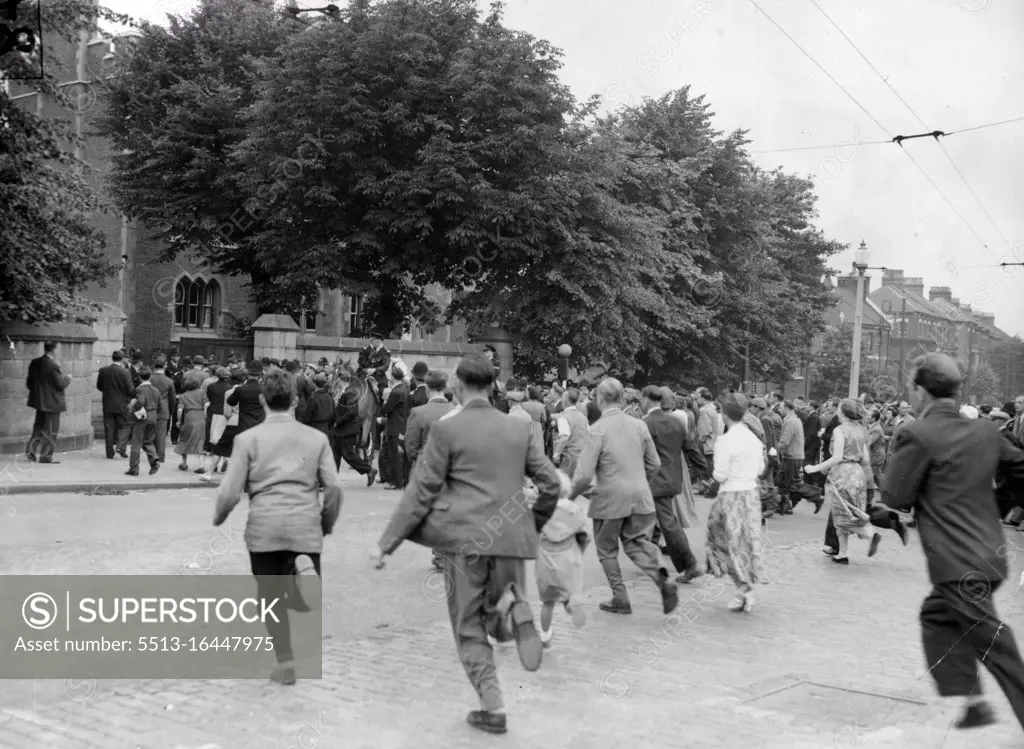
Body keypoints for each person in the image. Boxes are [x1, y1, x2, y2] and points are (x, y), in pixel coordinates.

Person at [375, 355, 561, 736]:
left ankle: (492, 706)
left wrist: (386, 543)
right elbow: (552, 484)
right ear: (494, 386)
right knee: (496, 610)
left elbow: (421, 491)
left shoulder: (448, 430)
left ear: (458, 386)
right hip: (510, 535)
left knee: (468, 626)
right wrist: (532, 524)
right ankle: (514, 608)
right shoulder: (519, 428)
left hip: (465, 542)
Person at [883, 353, 1024, 731]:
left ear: (921, 391)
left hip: (958, 565)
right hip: (988, 557)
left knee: (997, 645)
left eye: (911, 386)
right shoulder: (986, 433)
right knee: (936, 616)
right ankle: (973, 701)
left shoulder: (919, 433)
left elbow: (895, 496)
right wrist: (1001, 503)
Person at [214, 369, 343, 687]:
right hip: (305, 524)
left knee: (269, 599)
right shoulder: (317, 439)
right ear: (296, 401)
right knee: (298, 594)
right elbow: (335, 489)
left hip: (264, 526)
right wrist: (325, 523)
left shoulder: (247, 439)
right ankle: (301, 572)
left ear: (262, 400)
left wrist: (219, 516)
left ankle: (285, 662)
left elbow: (229, 491)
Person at [567, 378, 678, 616]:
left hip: (609, 498)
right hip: (641, 497)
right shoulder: (640, 425)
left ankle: (620, 597)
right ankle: (662, 578)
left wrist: (570, 495)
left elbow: (584, 474)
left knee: (606, 549)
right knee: (637, 543)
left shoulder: (596, 429)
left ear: (599, 399)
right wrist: (639, 482)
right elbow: (655, 463)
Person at [704, 393, 766, 612]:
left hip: (730, 494)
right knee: (746, 542)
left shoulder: (725, 440)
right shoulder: (754, 438)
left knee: (723, 542)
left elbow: (720, 474)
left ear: (724, 414)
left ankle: (743, 587)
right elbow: (760, 469)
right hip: (751, 494)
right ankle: (745, 586)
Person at [805, 399, 881, 565]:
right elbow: (866, 459)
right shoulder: (862, 430)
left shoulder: (840, 430)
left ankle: (870, 534)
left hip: (842, 473)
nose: (837, 413)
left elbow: (837, 457)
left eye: (839, 410)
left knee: (841, 513)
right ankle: (842, 553)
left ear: (844, 413)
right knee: (847, 511)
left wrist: (815, 468)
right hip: (857, 473)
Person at [642, 386, 704, 584]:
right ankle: (652, 559)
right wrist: (705, 470)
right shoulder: (676, 421)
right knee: (657, 520)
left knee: (667, 522)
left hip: (655, 480)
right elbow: (691, 448)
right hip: (672, 477)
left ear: (647, 399)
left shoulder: (646, 423)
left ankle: (690, 563)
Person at [536, 489, 589, 649]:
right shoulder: (574, 511)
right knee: (568, 595)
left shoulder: (540, 511)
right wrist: (580, 550)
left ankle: (545, 636)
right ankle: (571, 606)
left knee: (547, 603)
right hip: (568, 559)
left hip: (546, 562)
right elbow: (585, 535)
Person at [25, 341, 72, 464]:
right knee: (51, 430)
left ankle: (31, 450)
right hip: (52, 403)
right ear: (54, 350)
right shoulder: (53, 366)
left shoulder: (35, 363)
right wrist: (67, 379)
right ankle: (45, 457)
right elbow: (60, 384)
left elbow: (29, 384)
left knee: (39, 427)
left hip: (39, 402)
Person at [330, 371, 377, 485]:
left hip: (347, 429)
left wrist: (338, 422)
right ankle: (331, 480)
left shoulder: (350, 392)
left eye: (337, 380)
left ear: (341, 380)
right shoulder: (345, 392)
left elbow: (352, 412)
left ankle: (369, 470)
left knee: (348, 455)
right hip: (340, 430)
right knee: (335, 455)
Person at [96, 349, 135, 460]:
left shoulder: (103, 371)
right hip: (122, 405)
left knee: (109, 429)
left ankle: (109, 453)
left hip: (108, 403)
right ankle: (121, 447)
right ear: (122, 359)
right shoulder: (125, 372)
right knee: (125, 426)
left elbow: (99, 386)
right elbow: (131, 390)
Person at [125, 366, 161, 477]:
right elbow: (160, 405)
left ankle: (134, 469)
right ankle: (154, 459)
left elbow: (140, 401)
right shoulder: (156, 390)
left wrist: (133, 407)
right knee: (148, 441)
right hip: (153, 416)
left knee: (136, 443)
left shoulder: (139, 389)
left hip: (142, 418)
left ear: (139, 377)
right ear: (150, 377)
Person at [211, 368, 247, 473]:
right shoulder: (247, 390)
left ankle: (210, 471)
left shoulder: (229, 392)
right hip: (245, 421)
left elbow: (227, 412)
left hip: (232, 421)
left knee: (221, 447)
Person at [381, 365, 410, 489]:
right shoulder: (404, 388)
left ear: (392, 378)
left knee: (395, 456)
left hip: (395, 427)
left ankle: (396, 482)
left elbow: (386, 409)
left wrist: (384, 400)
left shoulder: (396, 391)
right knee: (400, 455)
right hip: (402, 425)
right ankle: (402, 480)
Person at [551, 388, 589, 477]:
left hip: (568, 457)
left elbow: (564, 437)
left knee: (566, 484)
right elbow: (587, 436)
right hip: (581, 456)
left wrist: (556, 454)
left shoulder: (564, 417)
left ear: (566, 401)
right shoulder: (583, 417)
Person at [174, 378, 208, 473]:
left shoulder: (183, 396)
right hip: (201, 417)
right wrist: (206, 417)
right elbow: (206, 405)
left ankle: (184, 463)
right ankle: (201, 465)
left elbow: (180, 410)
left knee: (185, 439)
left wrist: (179, 421)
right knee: (201, 440)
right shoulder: (202, 393)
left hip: (189, 417)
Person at [149, 356, 177, 465]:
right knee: (161, 434)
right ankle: (160, 456)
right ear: (164, 366)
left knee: (150, 433)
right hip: (163, 409)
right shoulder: (169, 381)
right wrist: (171, 411)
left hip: (150, 408)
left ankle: (151, 454)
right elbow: (172, 399)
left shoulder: (149, 379)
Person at [226, 361, 265, 435]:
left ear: (248, 374)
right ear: (260, 375)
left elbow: (230, 402)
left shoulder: (240, 389)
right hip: (260, 426)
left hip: (244, 426)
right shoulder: (265, 389)